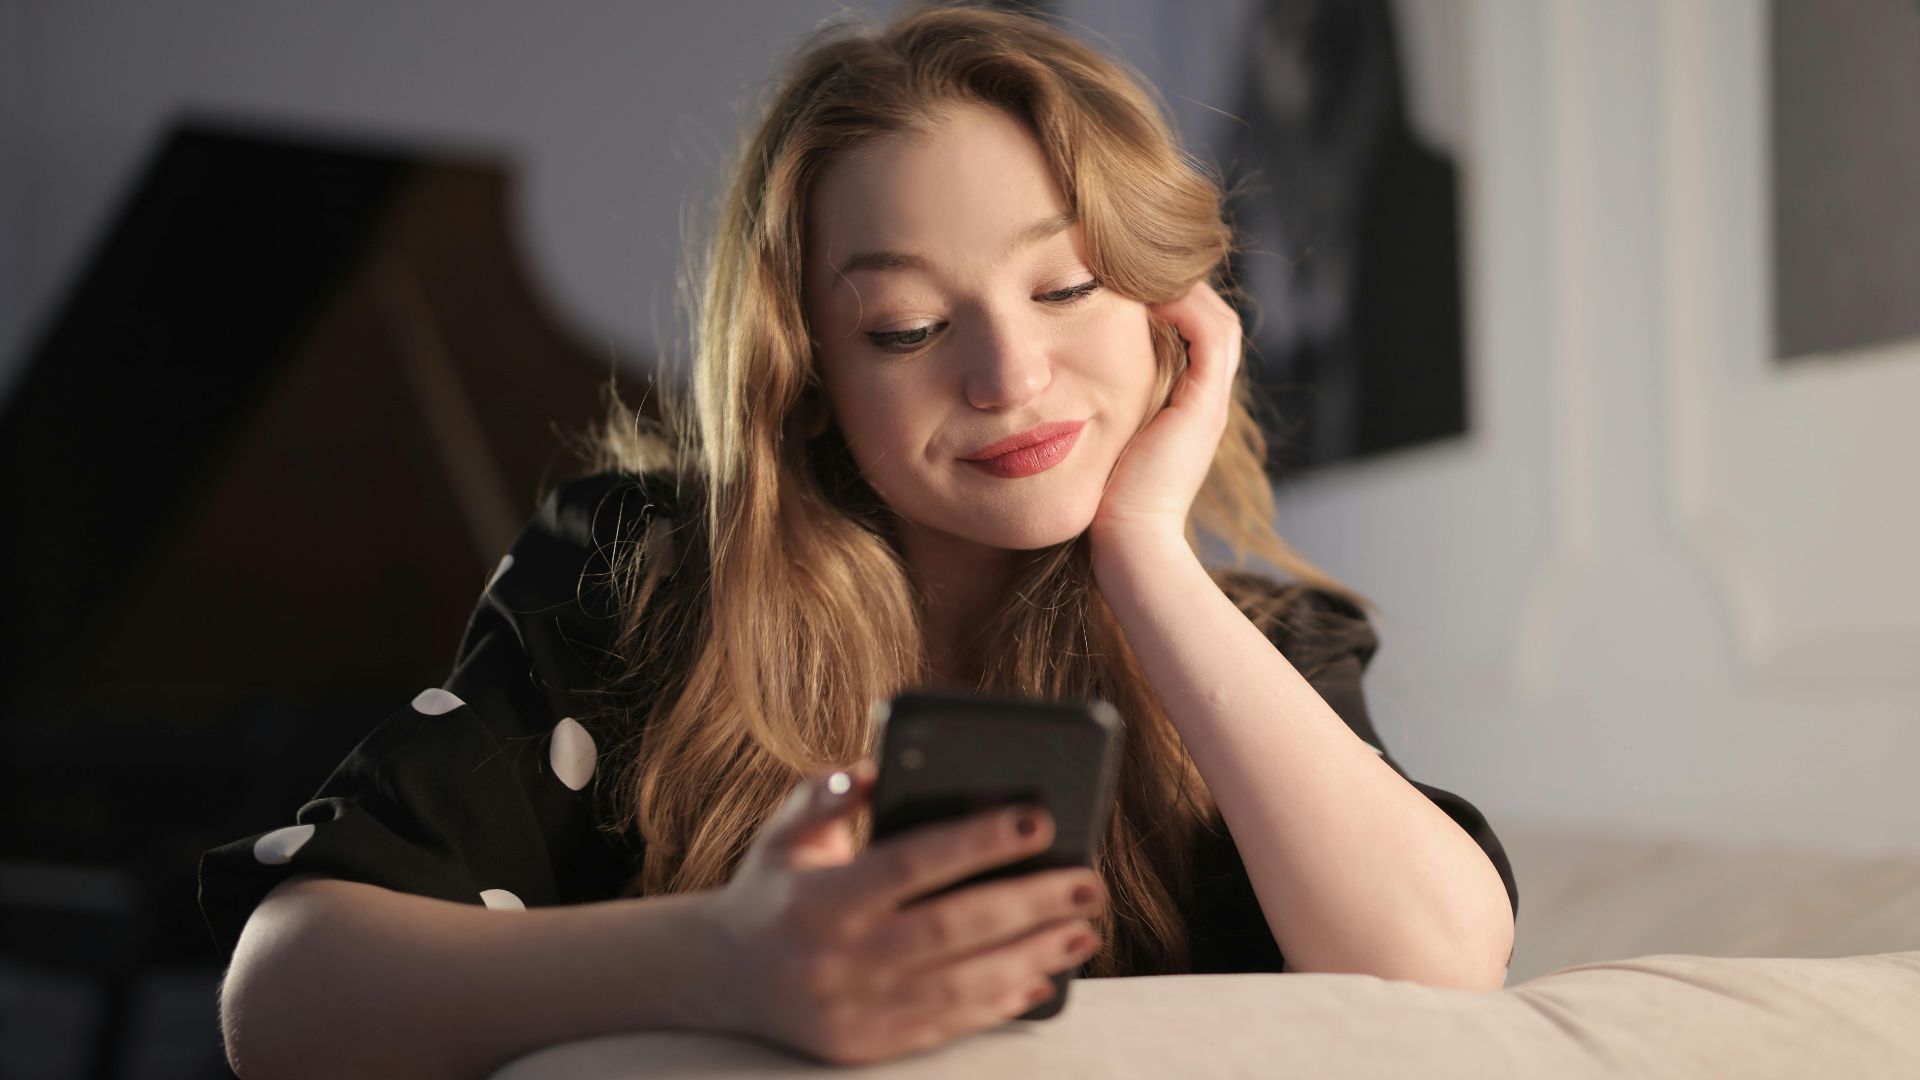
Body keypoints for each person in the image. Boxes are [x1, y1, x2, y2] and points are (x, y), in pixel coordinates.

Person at [203, 4, 1518, 1075]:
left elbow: (1442, 968)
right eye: (906, 329)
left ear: (1170, 312)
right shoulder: (637, 578)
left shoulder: (1267, 645)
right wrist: (723, 960)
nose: (1008, 376)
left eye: (1066, 286)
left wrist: (1147, 555)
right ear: (814, 376)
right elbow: (282, 995)